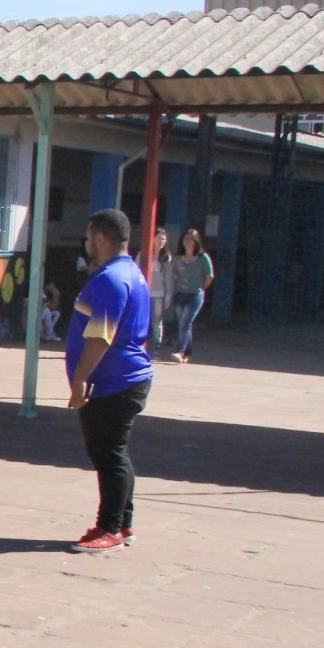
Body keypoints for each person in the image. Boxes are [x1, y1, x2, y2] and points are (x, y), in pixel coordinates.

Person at [67, 210, 154, 553]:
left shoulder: (111, 280)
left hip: (114, 381)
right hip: (122, 379)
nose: (87, 243)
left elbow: (100, 337)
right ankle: (122, 521)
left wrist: (79, 380)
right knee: (114, 453)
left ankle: (111, 527)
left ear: (101, 238)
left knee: (108, 455)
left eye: (89, 237)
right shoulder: (129, 272)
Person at [170, 228, 212, 363]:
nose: (187, 242)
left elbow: (209, 276)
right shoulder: (177, 258)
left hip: (195, 295)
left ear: (196, 242)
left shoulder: (202, 258)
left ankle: (180, 351)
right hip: (180, 293)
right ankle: (187, 353)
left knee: (185, 322)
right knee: (184, 323)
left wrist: (202, 288)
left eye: (191, 240)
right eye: (185, 239)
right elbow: (173, 274)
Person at [147, 225, 174, 350]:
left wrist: (168, 295)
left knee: (157, 320)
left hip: (159, 293)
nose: (161, 242)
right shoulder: (145, 254)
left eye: (163, 239)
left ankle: (157, 343)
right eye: (159, 238)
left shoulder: (166, 257)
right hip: (146, 292)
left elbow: (168, 278)